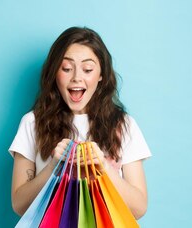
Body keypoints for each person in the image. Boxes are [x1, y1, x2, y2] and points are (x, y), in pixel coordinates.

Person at [8, 26, 152, 220]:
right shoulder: (32, 123)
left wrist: (104, 167)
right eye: (66, 68)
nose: (76, 77)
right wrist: (53, 167)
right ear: (54, 73)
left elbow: (139, 208)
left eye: (88, 69)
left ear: (101, 74)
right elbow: (19, 204)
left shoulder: (123, 124)